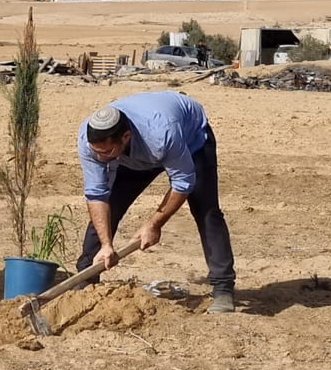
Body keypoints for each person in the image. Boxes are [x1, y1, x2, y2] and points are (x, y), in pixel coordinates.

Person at [76, 90, 237, 313]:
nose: (101, 158)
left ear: (125, 137)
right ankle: (86, 280)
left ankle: (223, 287)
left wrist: (154, 224)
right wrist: (106, 245)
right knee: (109, 208)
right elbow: (96, 194)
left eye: (107, 152)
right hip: (134, 156)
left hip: (191, 143)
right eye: (98, 153)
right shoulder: (89, 142)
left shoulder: (161, 134)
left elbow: (183, 182)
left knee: (206, 210)